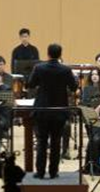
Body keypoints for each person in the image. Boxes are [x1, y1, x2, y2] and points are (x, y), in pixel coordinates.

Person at [27, 43, 78, 179]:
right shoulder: (66, 70)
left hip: (42, 110)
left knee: (42, 142)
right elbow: (73, 87)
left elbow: (31, 84)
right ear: (60, 54)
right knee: (56, 142)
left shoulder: (39, 67)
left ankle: (40, 172)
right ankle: (53, 172)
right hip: (59, 111)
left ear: (48, 54)